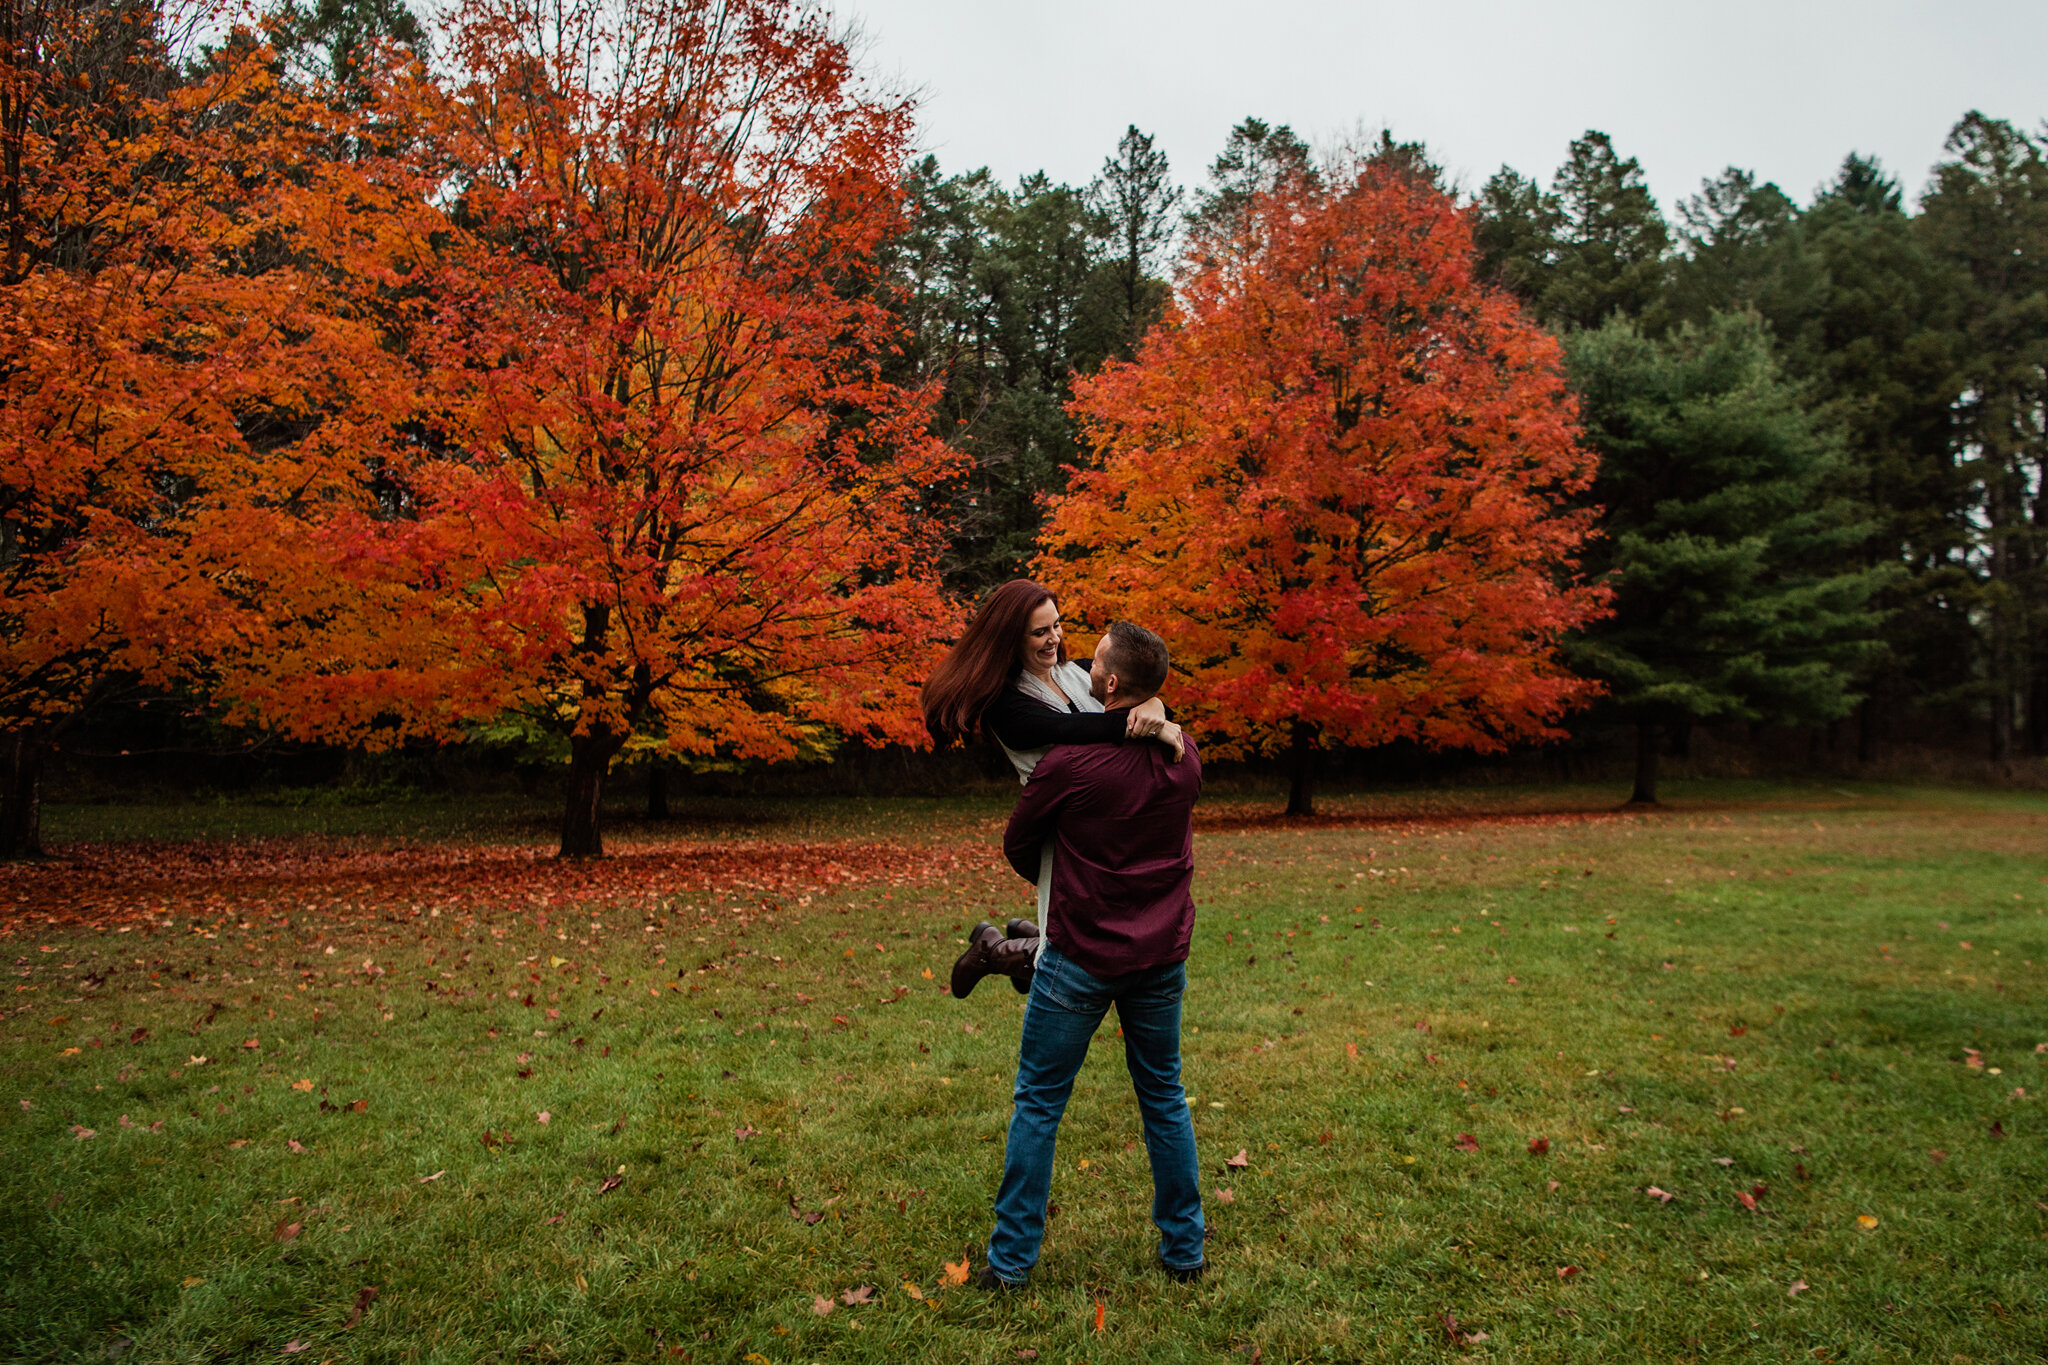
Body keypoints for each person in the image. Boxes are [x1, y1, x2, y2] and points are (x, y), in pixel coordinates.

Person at [978, 621, 1205, 1288]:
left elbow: (1020, 845)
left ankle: (1011, 1264)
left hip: (1080, 956)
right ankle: (1184, 1252)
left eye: (1094, 655)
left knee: (1039, 1103)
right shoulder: (1183, 756)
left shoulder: (1068, 766)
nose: (1079, 657)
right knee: (1164, 1095)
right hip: (1161, 954)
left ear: (1107, 683)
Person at [921, 580, 1183, 996]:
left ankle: (1011, 944)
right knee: (1069, 958)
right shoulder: (1005, 705)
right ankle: (997, 950)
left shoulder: (1075, 672)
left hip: (1107, 826)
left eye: (1056, 626)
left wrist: (1154, 704)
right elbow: (1069, 729)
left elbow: (1128, 684)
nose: (1054, 638)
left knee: (1099, 939)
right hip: (1061, 833)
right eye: (1040, 632)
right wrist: (1143, 720)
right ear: (1012, 639)